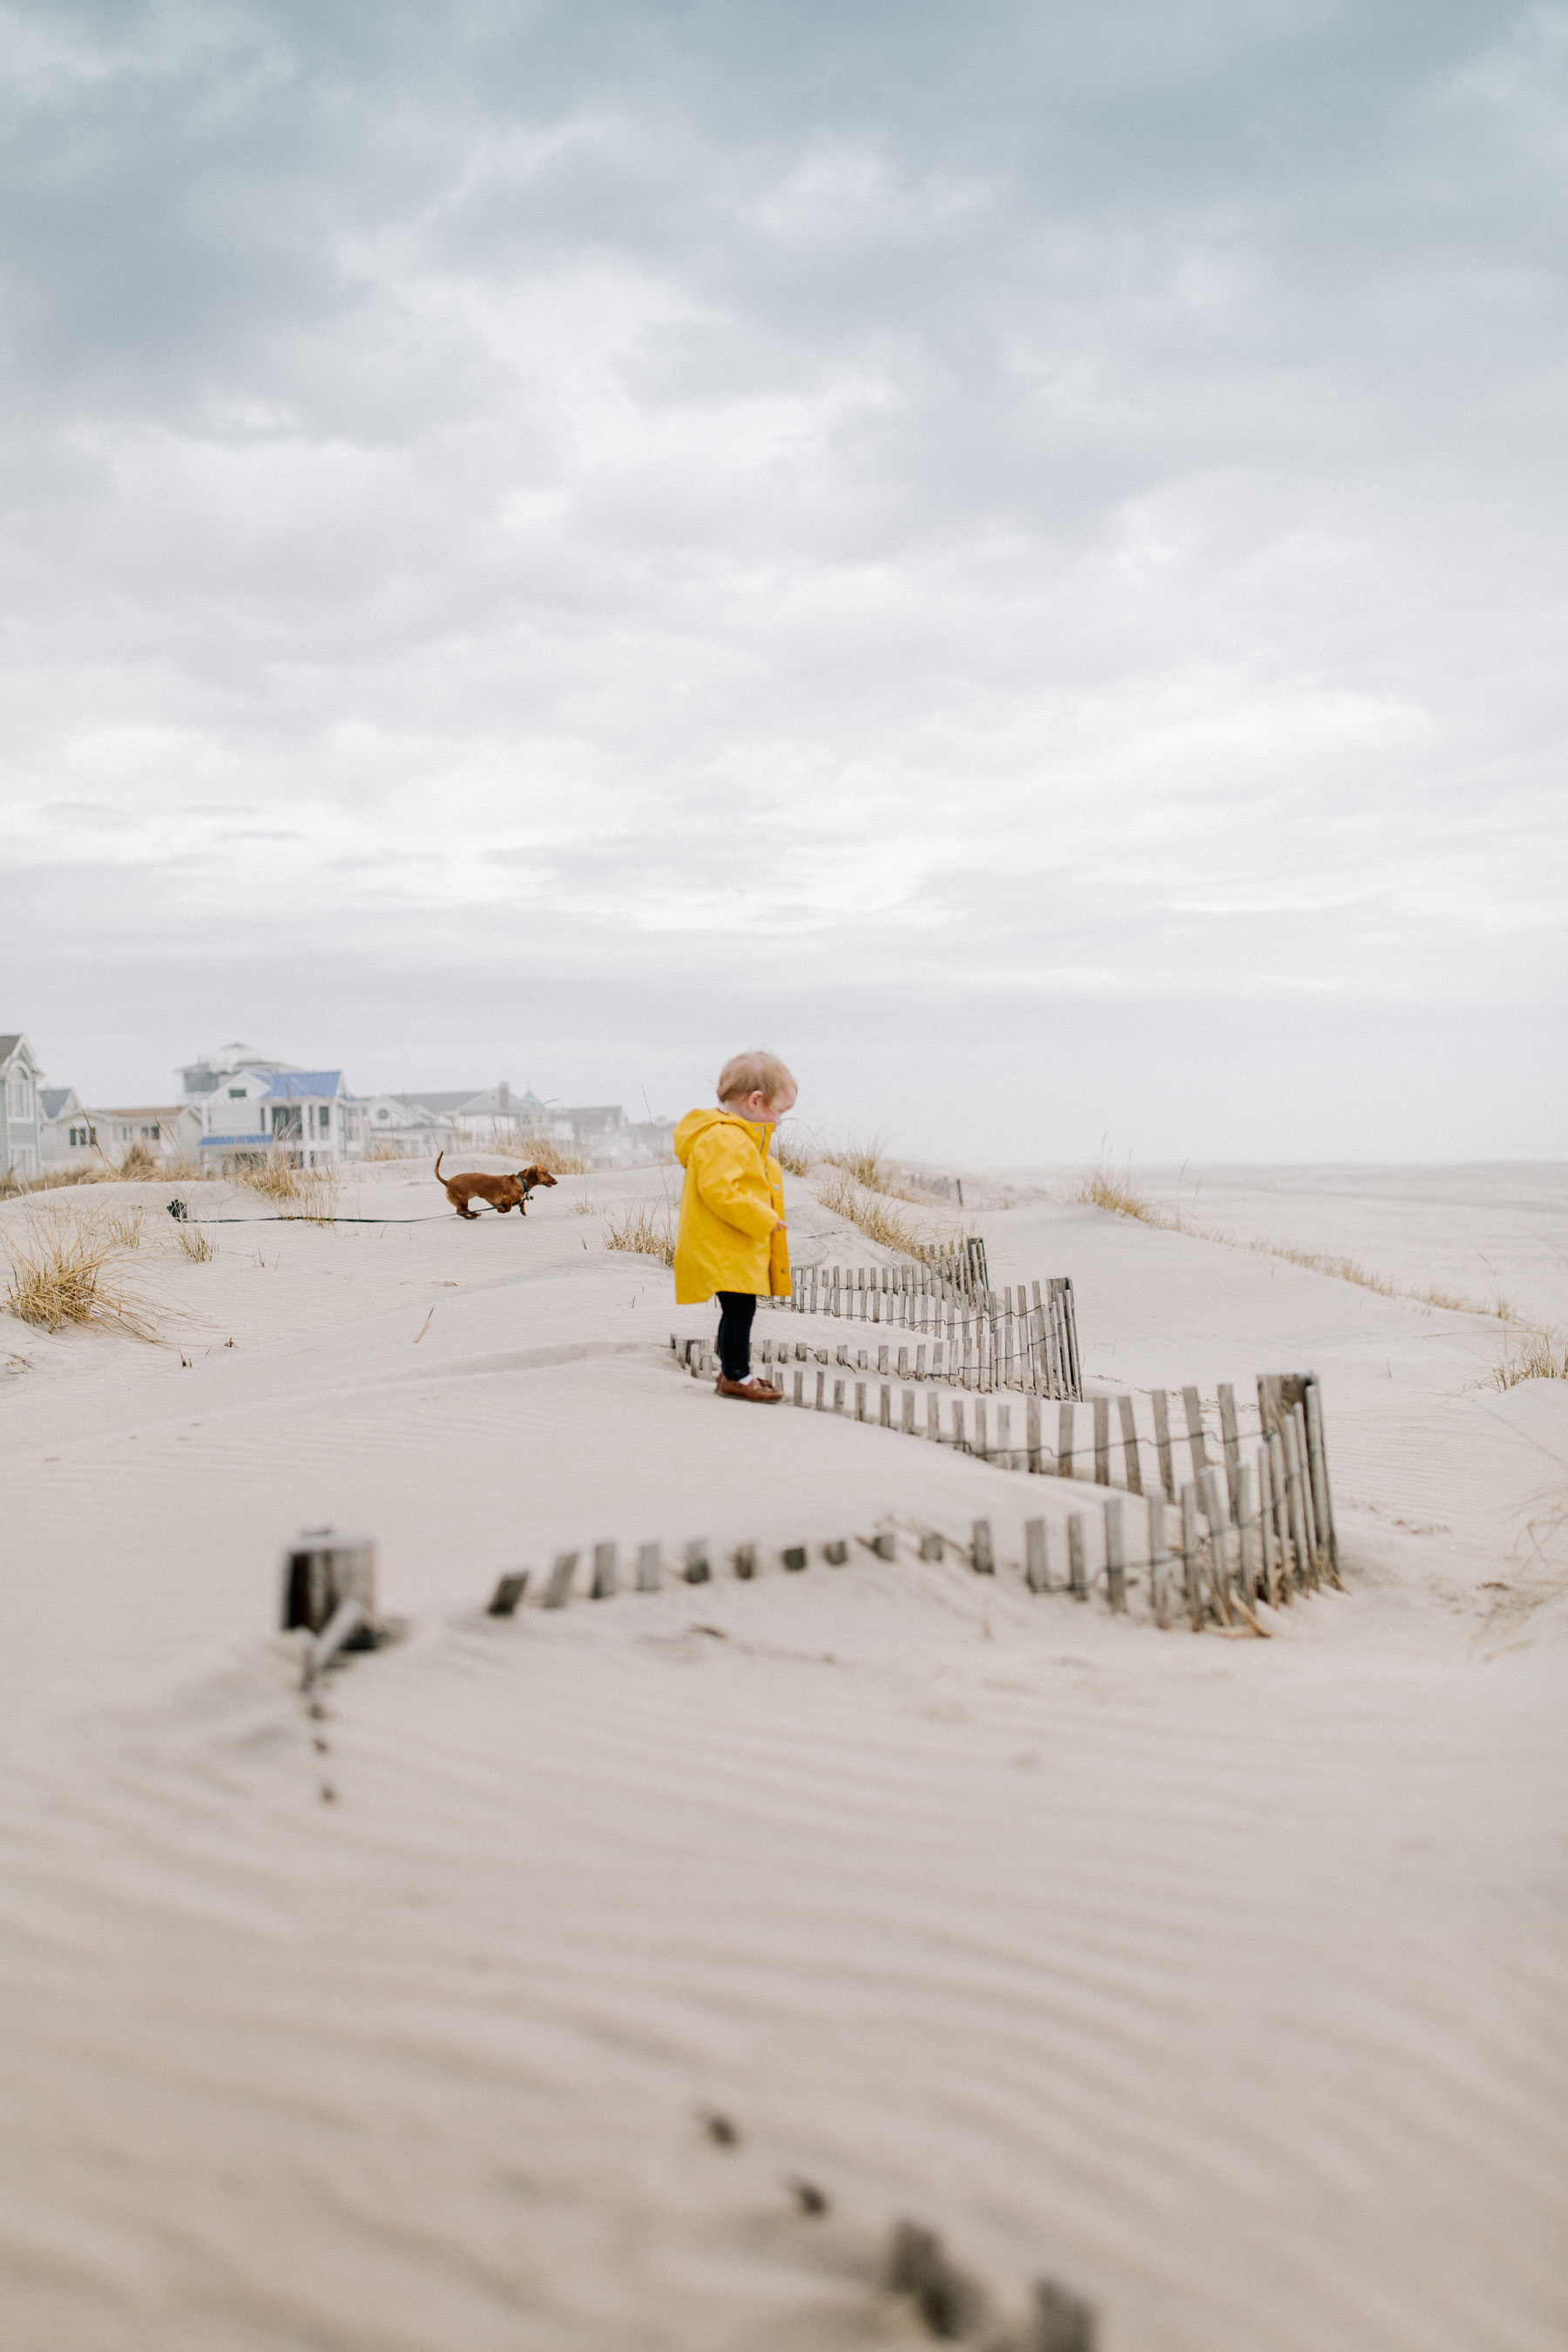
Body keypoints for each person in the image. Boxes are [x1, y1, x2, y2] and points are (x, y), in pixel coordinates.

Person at [672, 1051, 796, 1401]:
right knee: (740, 1310)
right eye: (780, 1112)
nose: (780, 1122)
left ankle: (733, 1372)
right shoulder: (724, 1138)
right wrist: (764, 1217)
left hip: (734, 1243)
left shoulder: (737, 1136)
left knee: (739, 1309)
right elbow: (720, 1191)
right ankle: (736, 1376)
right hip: (724, 1245)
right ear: (755, 1101)